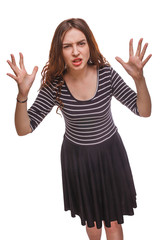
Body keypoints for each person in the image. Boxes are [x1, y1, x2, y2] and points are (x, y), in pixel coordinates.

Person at [7, 18, 152, 240]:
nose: (76, 52)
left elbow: (143, 111)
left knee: (112, 223)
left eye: (81, 43)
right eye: (67, 46)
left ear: (90, 46)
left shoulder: (106, 75)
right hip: (78, 160)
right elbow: (24, 129)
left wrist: (139, 80)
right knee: (92, 222)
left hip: (110, 154)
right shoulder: (55, 86)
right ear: (60, 51)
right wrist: (22, 96)